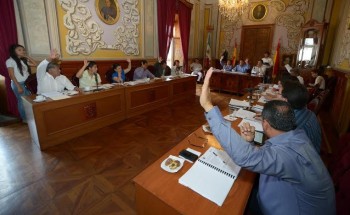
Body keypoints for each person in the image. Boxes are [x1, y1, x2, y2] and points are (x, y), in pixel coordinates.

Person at [199, 68, 336, 215]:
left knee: (232, 197)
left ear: (265, 125)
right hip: (290, 197)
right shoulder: (297, 136)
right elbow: (267, 155)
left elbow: (247, 157)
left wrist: (208, 105)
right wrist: (251, 143)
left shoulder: (290, 154)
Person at [281, 81, 322, 153]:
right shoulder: (310, 113)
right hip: (313, 153)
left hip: (303, 160)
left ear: (285, 100)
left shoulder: (292, 125)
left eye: (282, 97)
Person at [6, 44, 37, 122]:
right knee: (22, 101)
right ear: (14, 51)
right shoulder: (10, 61)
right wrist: (18, 86)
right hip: (19, 83)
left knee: (29, 100)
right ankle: (25, 119)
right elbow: (11, 75)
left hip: (27, 83)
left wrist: (27, 57)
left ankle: (31, 117)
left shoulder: (22, 60)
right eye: (19, 50)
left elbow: (35, 64)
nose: (22, 51)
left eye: (23, 50)